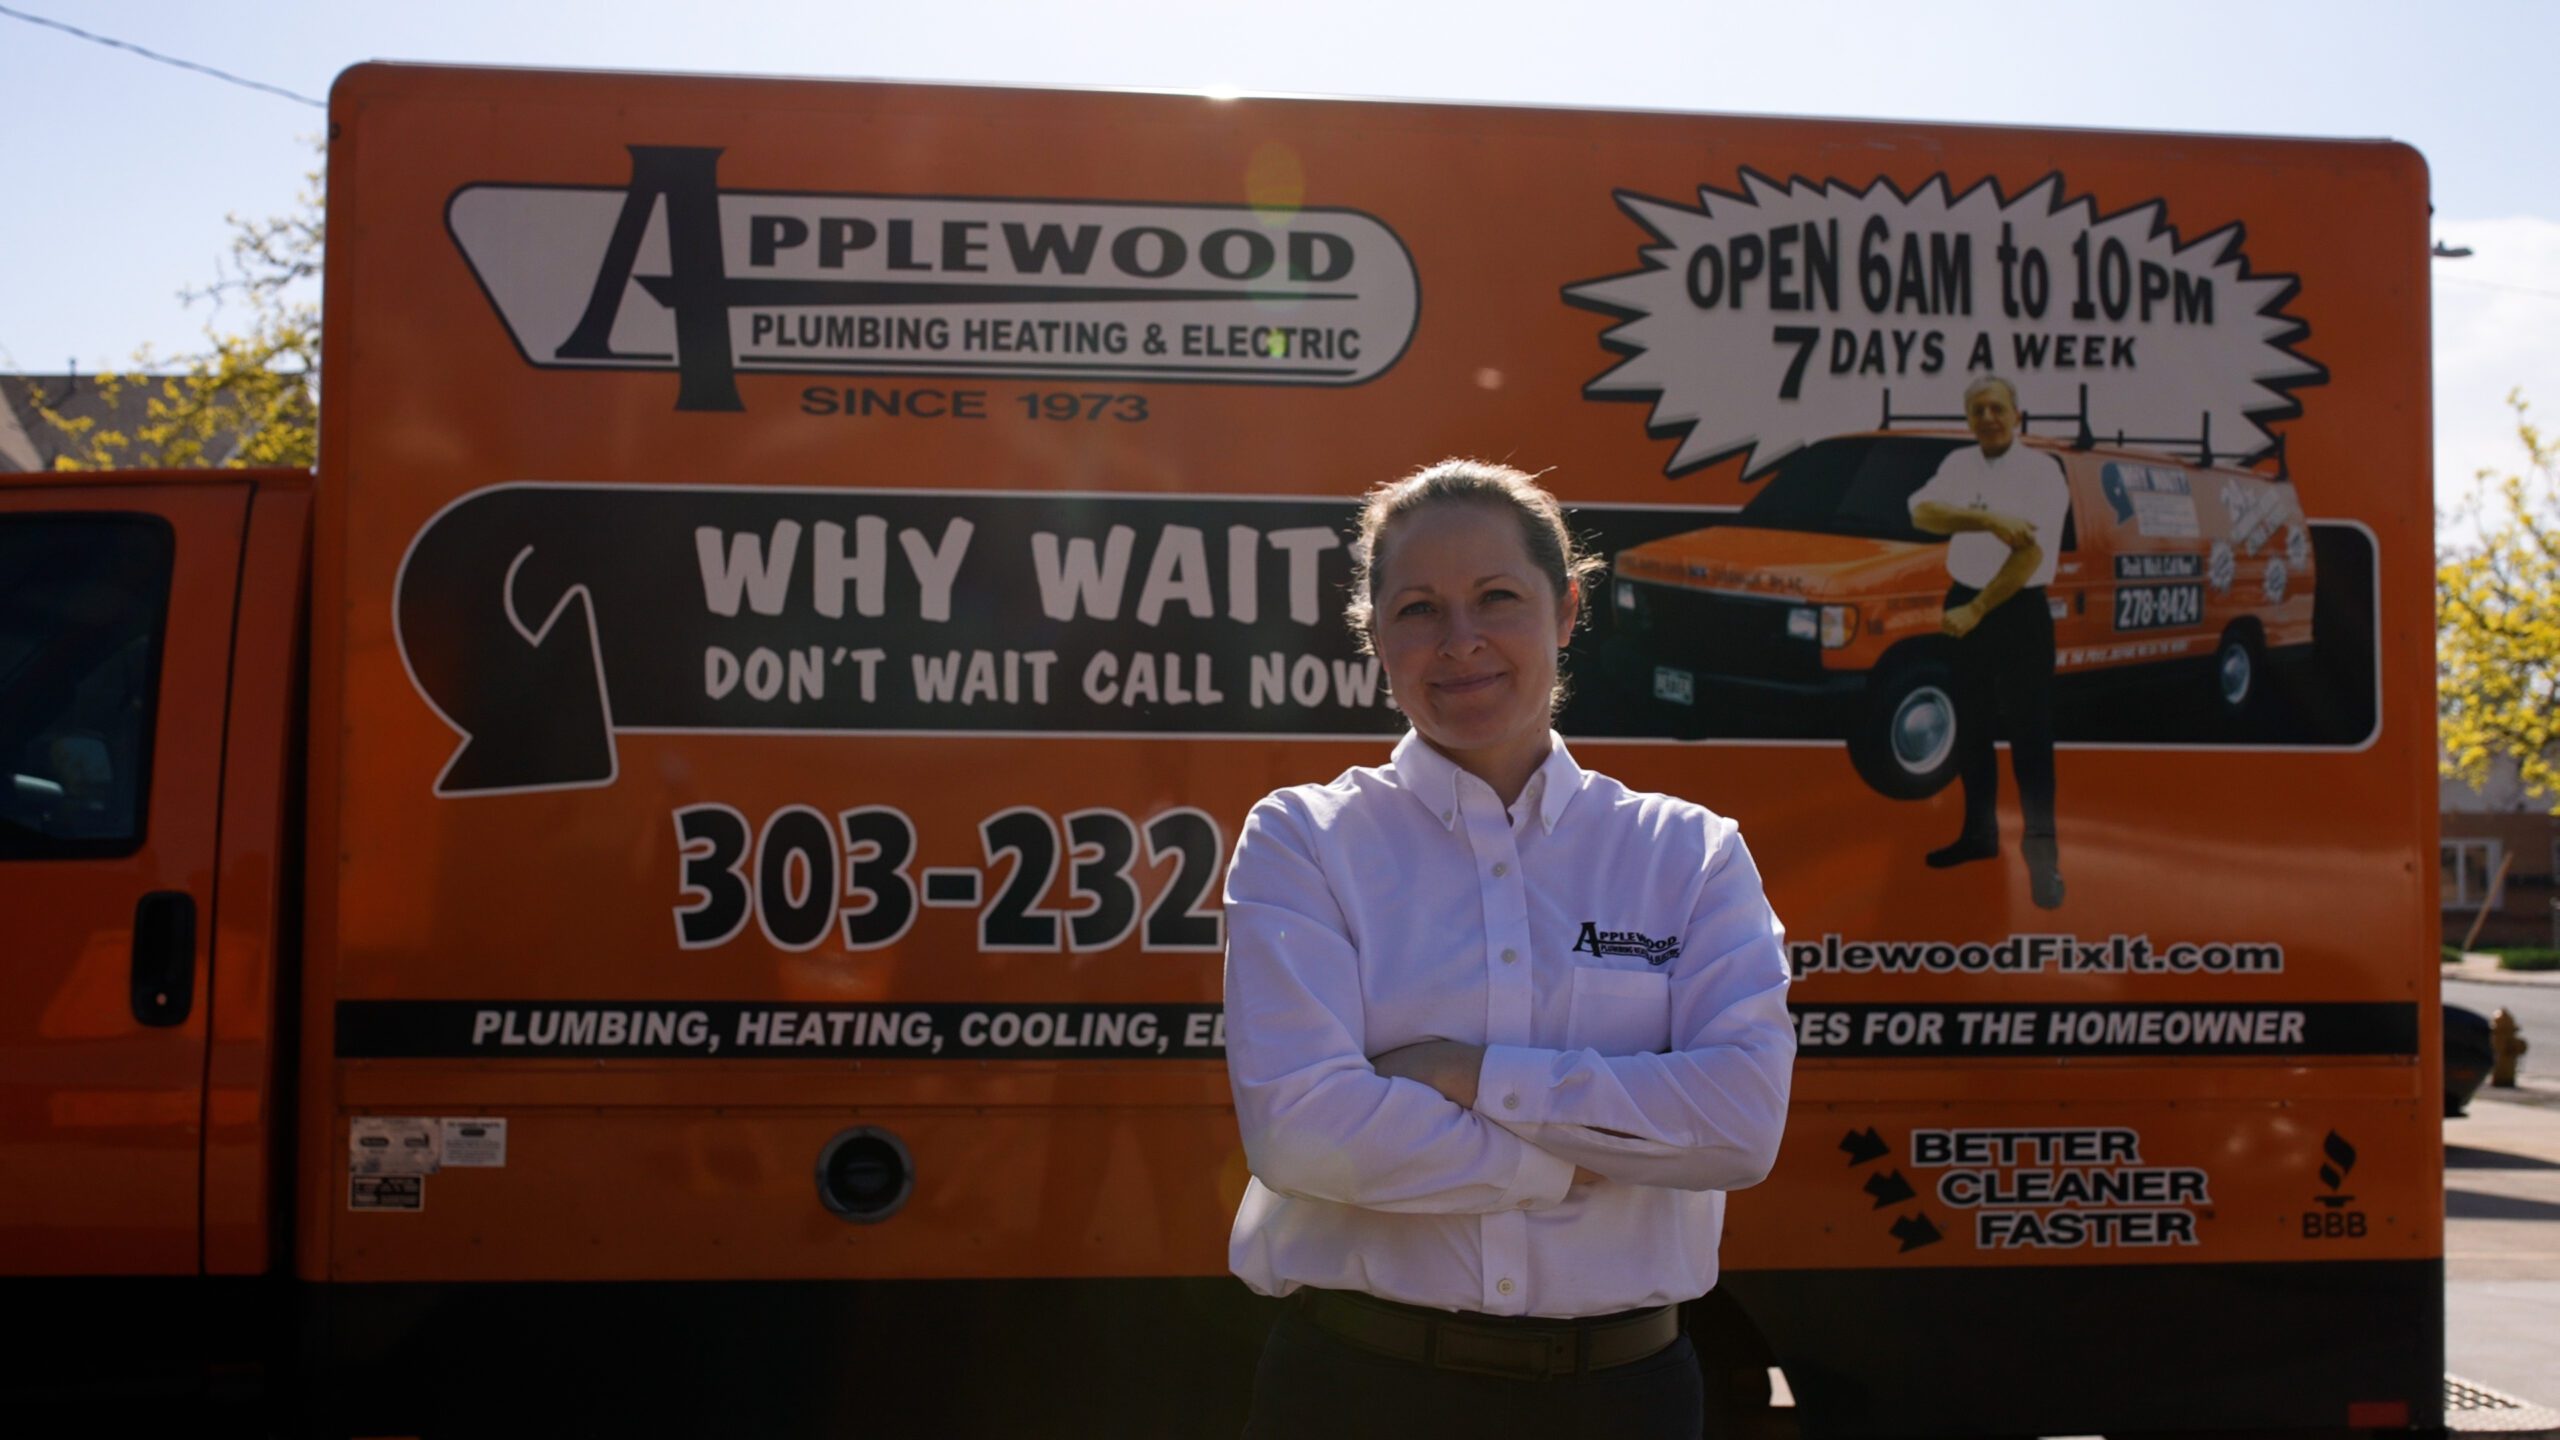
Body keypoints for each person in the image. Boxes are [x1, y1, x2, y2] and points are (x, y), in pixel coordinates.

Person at [1221, 459, 1796, 1438]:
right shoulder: (1304, 841)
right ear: (1373, 635)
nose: (1460, 642)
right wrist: (1569, 1164)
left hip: (1622, 1401)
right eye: (1416, 610)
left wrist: (1467, 1074)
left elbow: (1739, 1126)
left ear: (1566, 610)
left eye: (1497, 597)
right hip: (1358, 1396)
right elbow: (1303, 1131)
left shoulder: (1686, 854)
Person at [1906, 374, 2072, 910]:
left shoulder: (2042, 472)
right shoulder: (1959, 466)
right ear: (1968, 418)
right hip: (1964, 603)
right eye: (1977, 410)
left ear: (2017, 414)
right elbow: (1921, 512)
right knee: (1971, 732)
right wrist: (1988, 518)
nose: (1988, 418)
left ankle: (2043, 862)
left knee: (2030, 740)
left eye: (1997, 407)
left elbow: (2028, 555)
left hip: (2014, 611)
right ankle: (1978, 836)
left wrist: (1977, 609)